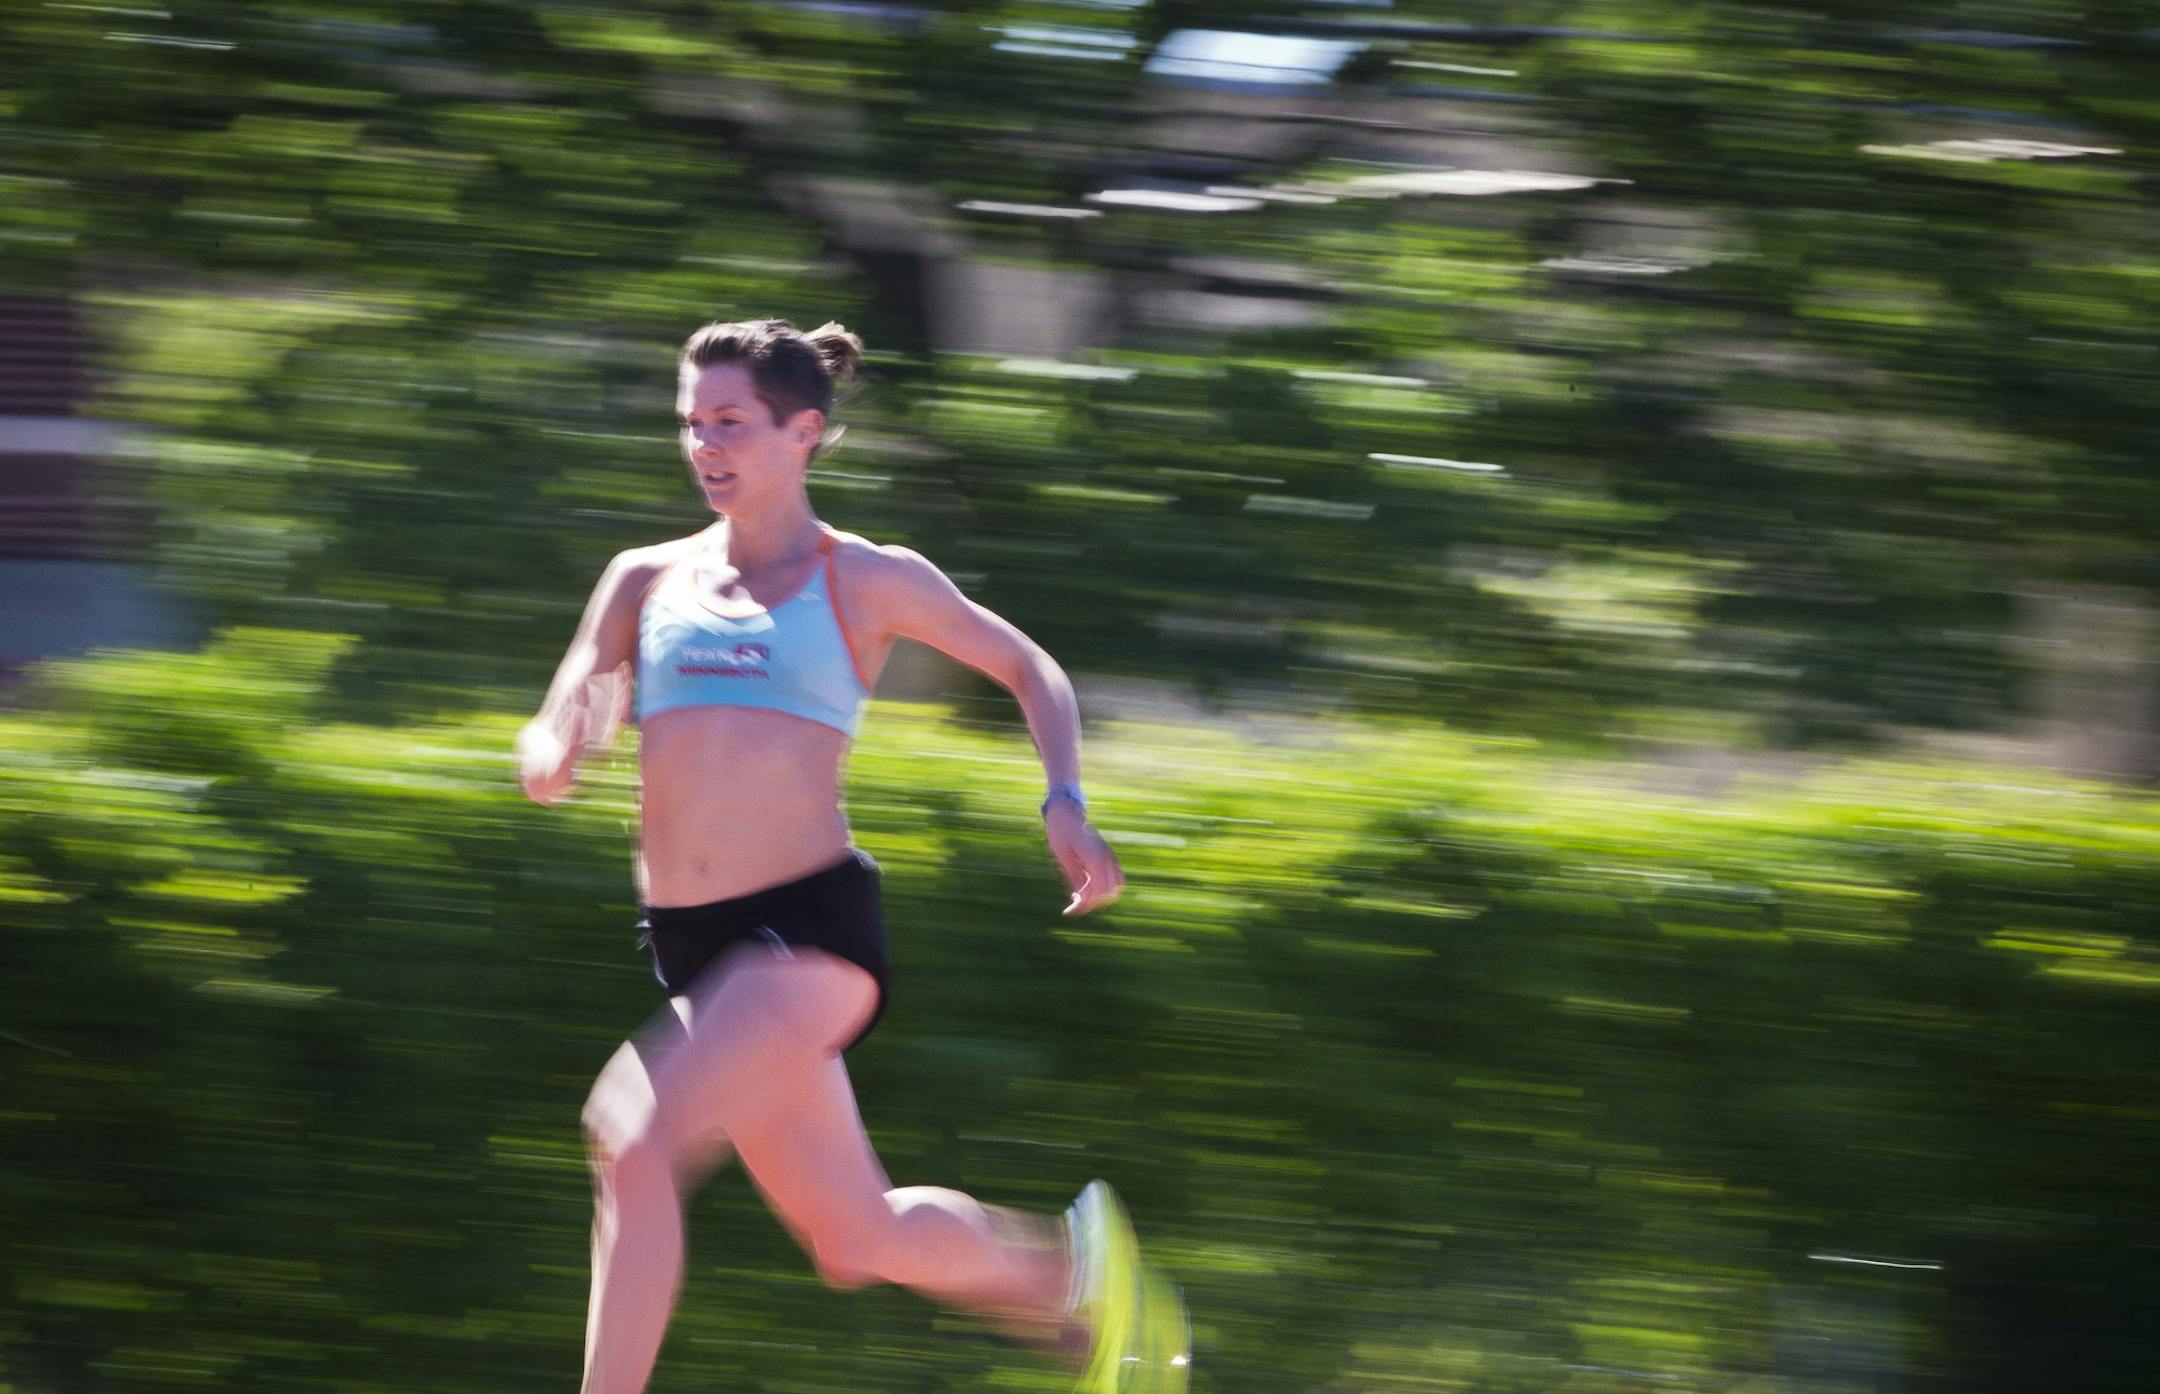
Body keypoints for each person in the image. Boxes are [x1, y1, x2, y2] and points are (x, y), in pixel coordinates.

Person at [515, 317, 1188, 1394]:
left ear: (804, 431)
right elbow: (559, 714)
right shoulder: (642, 580)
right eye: (691, 422)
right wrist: (557, 745)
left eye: (729, 421)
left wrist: (1063, 794)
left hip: (807, 934)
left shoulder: (863, 578)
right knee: (855, 1236)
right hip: (696, 950)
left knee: (631, 1136)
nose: (703, 443)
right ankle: (1077, 1272)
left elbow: (1030, 666)